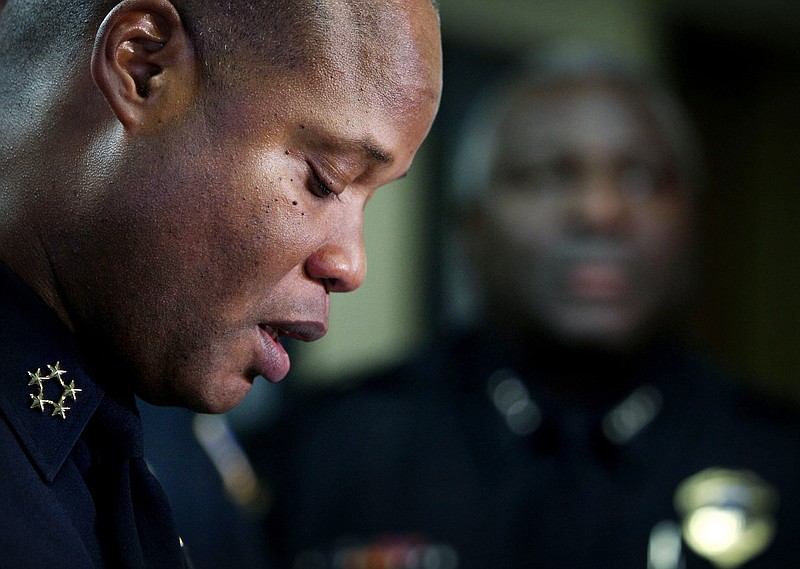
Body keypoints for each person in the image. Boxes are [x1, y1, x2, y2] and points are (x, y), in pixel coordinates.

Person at [256, 46, 800, 569]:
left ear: (697, 224)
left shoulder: (781, 460)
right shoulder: (328, 454)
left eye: (641, 177)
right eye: (549, 174)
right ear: (468, 228)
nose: (599, 211)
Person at [0, 0, 442, 567]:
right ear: (143, 68)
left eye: (371, 198)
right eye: (323, 179)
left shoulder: (128, 442)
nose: (351, 266)